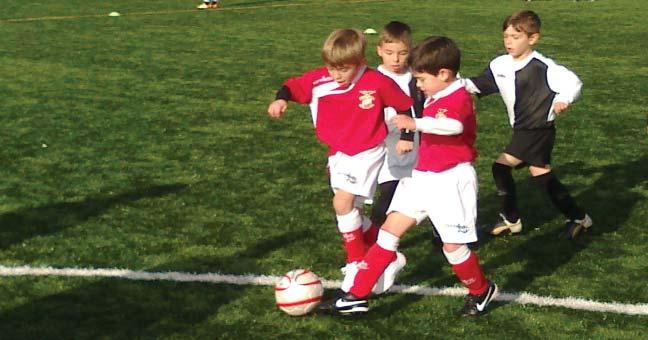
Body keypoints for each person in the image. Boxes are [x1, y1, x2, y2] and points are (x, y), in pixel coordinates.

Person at [320, 36, 498, 317]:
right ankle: (357, 295)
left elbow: (452, 126)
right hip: (421, 177)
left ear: (444, 74)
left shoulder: (458, 96)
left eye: (422, 79)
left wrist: (414, 123)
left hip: (451, 181)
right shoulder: (436, 93)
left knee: (453, 247)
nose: (418, 85)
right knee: (388, 232)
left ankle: (480, 291)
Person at [267, 28, 412, 293]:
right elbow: (292, 85)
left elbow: (404, 105)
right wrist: (281, 100)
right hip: (338, 153)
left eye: (343, 69)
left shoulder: (376, 81)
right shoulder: (320, 80)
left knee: (342, 202)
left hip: (367, 150)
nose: (335, 74)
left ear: (360, 63)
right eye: (331, 68)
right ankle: (389, 257)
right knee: (350, 212)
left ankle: (356, 262)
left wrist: (406, 135)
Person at [462, 10, 592, 239]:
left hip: (538, 129)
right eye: (506, 36)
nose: (509, 42)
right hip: (523, 128)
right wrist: (454, 83)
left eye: (516, 37)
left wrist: (563, 99)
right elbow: (481, 84)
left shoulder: (543, 66)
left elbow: (573, 82)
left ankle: (511, 219)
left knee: (500, 167)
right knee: (541, 175)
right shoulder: (499, 64)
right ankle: (579, 217)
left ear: (532, 39)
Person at [362, 21, 425, 253]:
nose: (396, 59)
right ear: (379, 50)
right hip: (381, 142)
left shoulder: (416, 77)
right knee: (384, 190)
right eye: (389, 53)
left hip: (412, 141)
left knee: (417, 188)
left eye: (402, 53)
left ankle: (443, 234)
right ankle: (373, 238)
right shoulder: (370, 78)